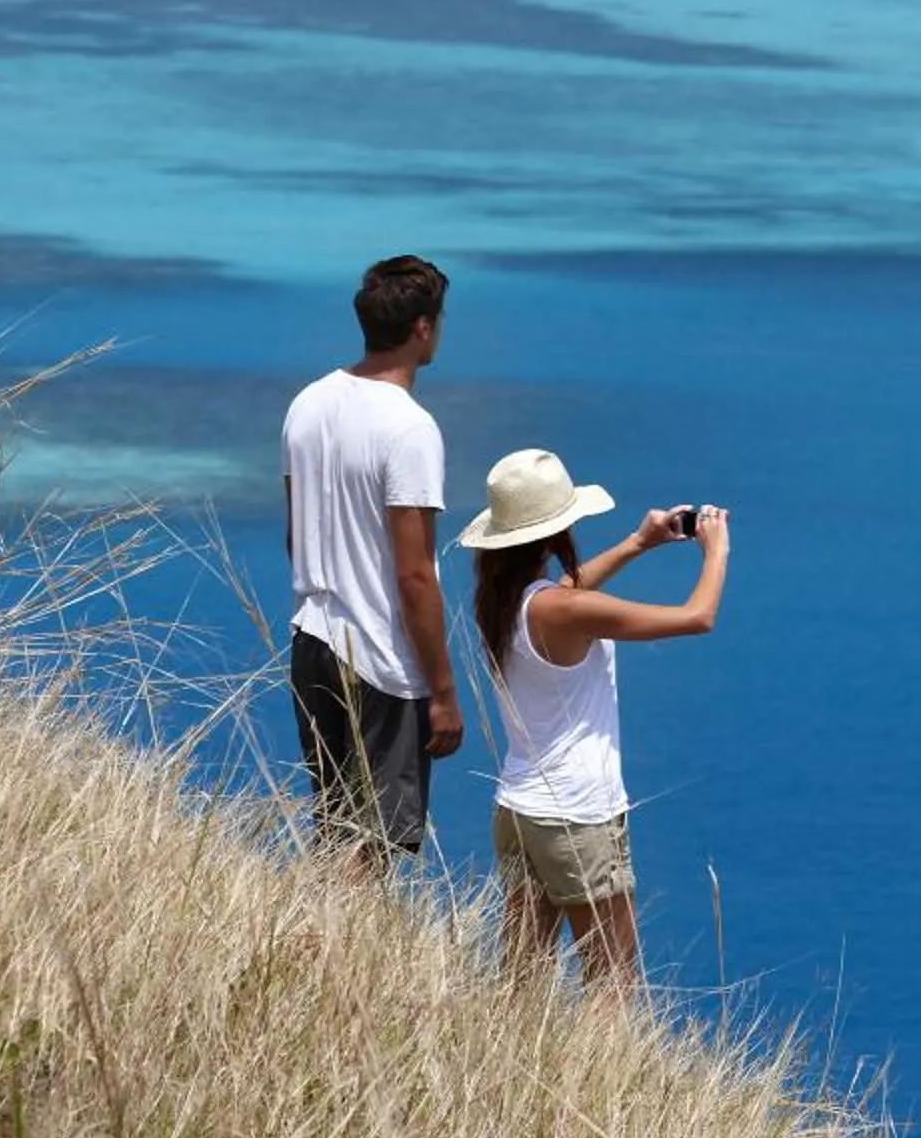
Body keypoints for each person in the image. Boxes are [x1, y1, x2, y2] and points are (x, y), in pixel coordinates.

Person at [460, 445, 730, 991]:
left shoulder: (504, 601)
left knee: (522, 975)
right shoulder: (564, 610)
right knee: (612, 979)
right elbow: (696, 617)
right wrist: (716, 550)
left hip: (519, 809)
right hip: (578, 816)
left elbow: (566, 593)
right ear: (555, 535)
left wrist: (639, 543)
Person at [282, 255, 459, 871]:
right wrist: (442, 691)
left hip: (312, 636)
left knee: (333, 822)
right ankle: (332, 935)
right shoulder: (410, 429)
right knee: (374, 841)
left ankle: (307, 927)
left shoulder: (308, 403)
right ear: (422, 328)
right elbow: (415, 573)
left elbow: (295, 532)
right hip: (380, 657)